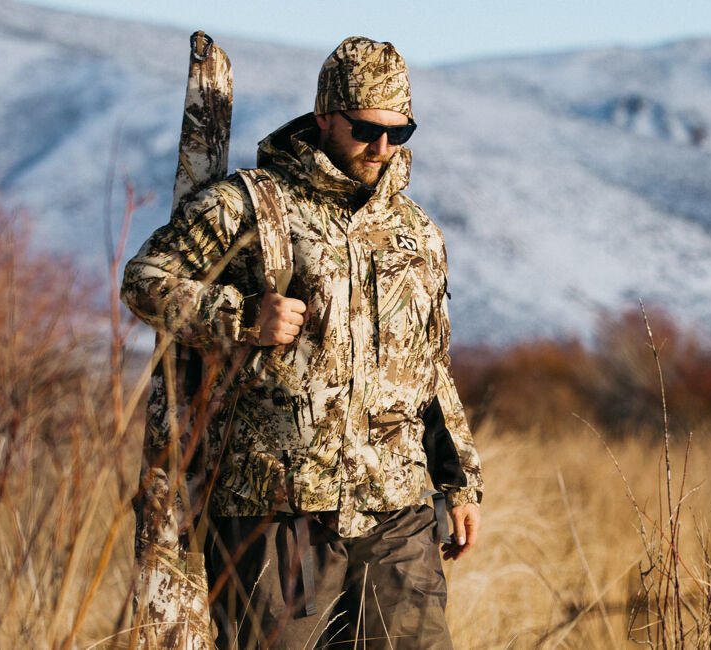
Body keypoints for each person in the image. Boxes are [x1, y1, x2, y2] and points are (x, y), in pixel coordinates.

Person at [121, 36, 482, 649]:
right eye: (368, 128)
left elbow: (429, 369)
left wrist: (459, 481)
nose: (384, 148)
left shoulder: (417, 233)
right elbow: (145, 280)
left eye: (401, 131)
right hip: (275, 511)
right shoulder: (250, 205)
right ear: (324, 118)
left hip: (396, 512)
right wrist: (235, 315)